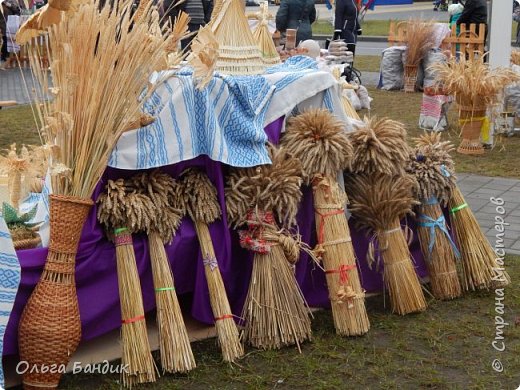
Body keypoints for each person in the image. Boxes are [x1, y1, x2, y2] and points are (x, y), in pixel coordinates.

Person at [1, 0, 21, 66]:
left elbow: (18, 11)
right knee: (5, 41)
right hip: (3, 24)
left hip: (10, 25)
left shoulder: (11, 1)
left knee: (8, 42)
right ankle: (4, 59)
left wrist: (8, 4)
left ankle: (6, 60)